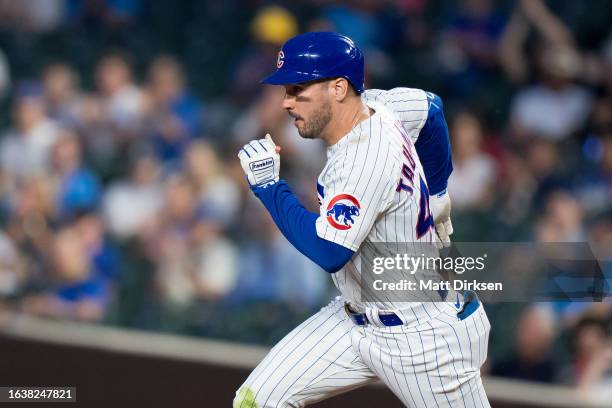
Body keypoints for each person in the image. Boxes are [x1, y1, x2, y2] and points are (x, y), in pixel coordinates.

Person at [234, 32, 490, 408]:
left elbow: (329, 251)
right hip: (353, 316)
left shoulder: (362, 161)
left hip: (422, 336)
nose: (286, 102)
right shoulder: (380, 104)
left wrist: (271, 188)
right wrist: (437, 194)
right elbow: (431, 109)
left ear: (338, 88)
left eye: (298, 88)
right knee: (254, 402)